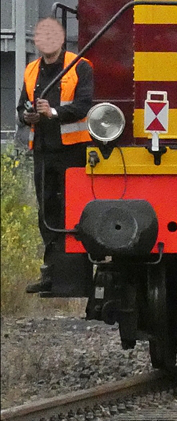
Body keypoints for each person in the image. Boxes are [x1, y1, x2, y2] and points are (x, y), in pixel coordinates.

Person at [17, 18, 93, 294]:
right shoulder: (31, 70)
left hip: (73, 152)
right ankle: (50, 272)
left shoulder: (80, 66)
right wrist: (27, 116)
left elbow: (85, 104)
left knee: (73, 212)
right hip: (43, 151)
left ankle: (78, 273)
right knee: (46, 212)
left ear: (61, 39)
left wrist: (54, 112)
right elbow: (20, 107)